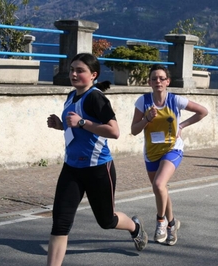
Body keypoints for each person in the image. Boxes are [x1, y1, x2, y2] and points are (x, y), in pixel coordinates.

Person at [46, 53, 148, 266]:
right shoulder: (71, 95)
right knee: (60, 224)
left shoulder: (96, 97)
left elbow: (114, 131)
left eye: (80, 70)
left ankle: (135, 227)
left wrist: (82, 122)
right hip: (72, 168)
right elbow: (74, 126)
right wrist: (60, 125)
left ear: (93, 75)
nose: (74, 74)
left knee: (106, 220)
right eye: (72, 69)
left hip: (98, 168)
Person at [130, 64, 208, 246]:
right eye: (154, 78)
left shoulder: (175, 100)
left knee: (158, 184)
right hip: (151, 152)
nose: (158, 81)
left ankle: (160, 222)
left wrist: (181, 125)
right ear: (149, 82)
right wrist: (146, 119)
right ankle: (172, 224)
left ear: (167, 82)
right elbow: (134, 130)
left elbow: (203, 111)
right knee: (161, 190)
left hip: (173, 149)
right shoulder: (143, 102)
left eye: (161, 78)